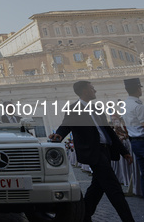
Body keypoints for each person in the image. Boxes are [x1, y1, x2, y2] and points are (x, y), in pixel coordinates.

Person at [49, 81, 135, 222]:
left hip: (106, 152)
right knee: (114, 188)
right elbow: (66, 125)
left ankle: (84, 215)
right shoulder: (73, 108)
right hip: (93, 152)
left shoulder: (97, 108)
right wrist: (58, 135)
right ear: (84, 91)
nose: (94, 90)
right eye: (91, 88)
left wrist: (123, 151)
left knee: (98, 186)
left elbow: (108, 131)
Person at [122, 78, 144, 196]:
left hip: (134, 141)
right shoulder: (138, 105)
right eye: (140, 87)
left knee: (143, 171)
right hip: (142, 140)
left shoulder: (125, 104)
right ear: (137, 88)